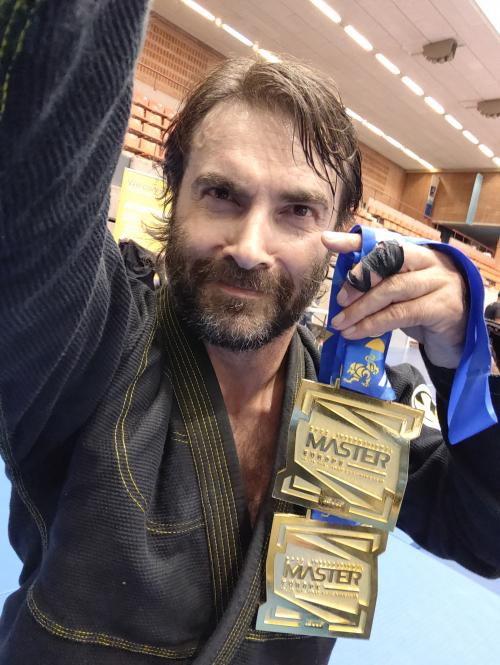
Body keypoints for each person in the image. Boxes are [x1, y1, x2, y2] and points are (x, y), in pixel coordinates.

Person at [0, 2, 498, 664]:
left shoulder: (359, 399)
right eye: (222, 194)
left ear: (341, 229)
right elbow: (39, 154)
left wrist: (459, 360)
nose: (250, 246)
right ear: (174, 192)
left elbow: (486, 537)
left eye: (297, 209)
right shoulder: (88, 346)